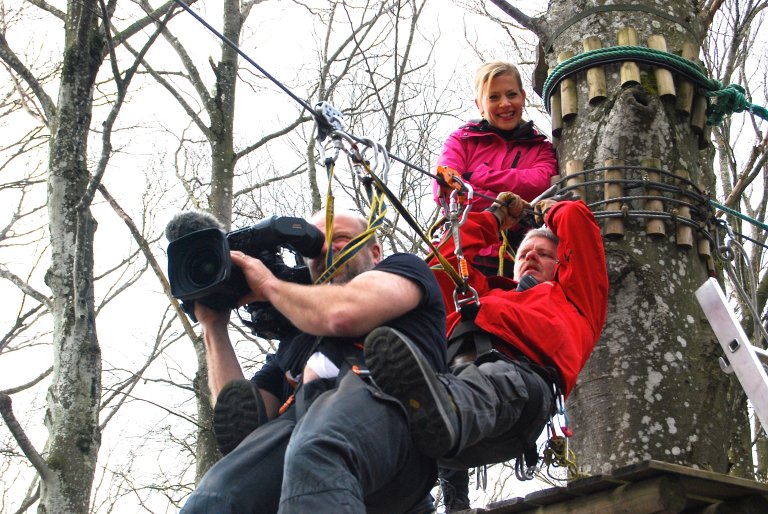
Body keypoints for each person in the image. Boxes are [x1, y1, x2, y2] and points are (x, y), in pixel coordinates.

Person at [181, 210, 448, 514]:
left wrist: (269, 286)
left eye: (341, 239)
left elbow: (341, 314)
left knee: (317, 450)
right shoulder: (298, 338)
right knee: (213, 497)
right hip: (301, 442)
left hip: (393, 437)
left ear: (375, 252)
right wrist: (213, 326)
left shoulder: (404, 269)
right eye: (316, 245)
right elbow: (246, 413)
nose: (326, 249)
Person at [364, 193, 608, 494]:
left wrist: (551, 210)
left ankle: (444, 410)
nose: (530, 256)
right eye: (523, 254)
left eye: (544, 254)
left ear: (561, 263)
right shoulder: (479, 294)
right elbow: (440, 266)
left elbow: (577, 226)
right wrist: (494, 217)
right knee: (372, 429)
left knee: (489, 380)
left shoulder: (575, 299)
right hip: (445, 404)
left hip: (518, 391)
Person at [433, 60, 558, 276]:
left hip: (519, 255)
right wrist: (507, 204)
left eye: (511, 95)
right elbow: (447, 190)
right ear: (479, 105)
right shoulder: (462, 141)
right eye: (493, 97)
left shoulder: (541, 147)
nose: (505, 104)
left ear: (522, 97)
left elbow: (540, 182)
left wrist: (480, 177)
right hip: (464, 248)